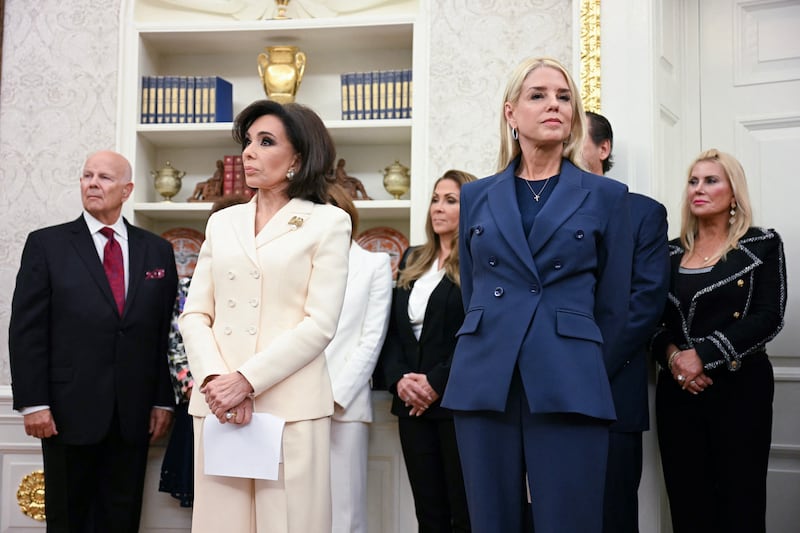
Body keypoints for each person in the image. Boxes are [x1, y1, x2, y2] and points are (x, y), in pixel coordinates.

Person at [441, 57, 634, 533]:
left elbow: (613, 304)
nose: (554, 105)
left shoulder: (606, 196)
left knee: (570, 520)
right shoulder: (476, 196)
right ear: (511, 113)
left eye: (564, 96)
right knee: (490, 521)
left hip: (570, 377)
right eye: (538, 95)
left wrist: (580, 361)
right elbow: (475, 293)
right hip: (486, 376)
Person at [178, 99, 351, 533]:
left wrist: (246, 381)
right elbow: (195, 313)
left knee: (290, 525)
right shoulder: (223, 222)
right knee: (221, 525)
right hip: (219, 406)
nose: (249, 153)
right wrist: (218, 381)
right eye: (248, 142)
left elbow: (320, 323)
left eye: (266, 141)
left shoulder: (328, 223)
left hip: (289, 406)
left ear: (298, 157)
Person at [8, 150, 178, 532]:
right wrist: (33, 403)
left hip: (133, 416)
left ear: (127, 189)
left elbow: (163, 334)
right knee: (69, 519)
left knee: (122, 518)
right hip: (65, 415)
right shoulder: (46, 245)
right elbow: (26, 330)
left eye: (104, 177)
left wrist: (162, 399)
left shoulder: (157, 250)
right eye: (87, 176)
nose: (92, 184)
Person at [651, 148, 787, 533]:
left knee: (740, 502)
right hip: (678, 392)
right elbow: (649, 320)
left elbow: (769, 316)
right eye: (693, 181)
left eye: (711, 180)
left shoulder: (761, 245)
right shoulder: (667, 252)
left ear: (733, 192)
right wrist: (676, 357)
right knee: (687, 500)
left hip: (740, 388)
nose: (699, 188)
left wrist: (705, 355)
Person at [583, 111, 671, 533]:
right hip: (543, 398)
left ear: (604, 149)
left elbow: (645, 304)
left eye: (575, 137)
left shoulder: (644, 214)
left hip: (613, 392)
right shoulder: (538, 213)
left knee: (612, 516)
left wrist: (586, 372)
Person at [381, 169, 477, 533]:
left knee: (462, 513)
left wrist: (436, 383)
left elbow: (476, 334)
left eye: (450, 200)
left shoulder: (477, 263)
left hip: (455, 404)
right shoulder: (411, 258)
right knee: (429, 513)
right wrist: (399, 381)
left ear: (469, 208)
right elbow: (391, 331)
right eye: (436, 198)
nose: (438, 208)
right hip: (411, 407)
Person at [159, 193, 251, 508]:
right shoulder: (188, 286)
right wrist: (209, 389)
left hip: (255, 401)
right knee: (210, 503)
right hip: (204, 402)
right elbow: (177, 346)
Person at [325, 184, 393, 533]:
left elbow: (372, 338)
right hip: (291, 404)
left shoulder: (373, 264)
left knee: (345, 514)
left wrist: (335, 396)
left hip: (344, 406)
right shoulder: (299, 263)